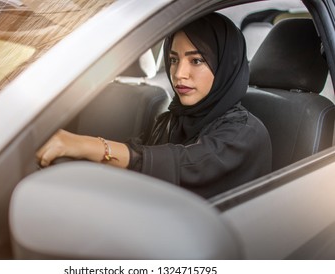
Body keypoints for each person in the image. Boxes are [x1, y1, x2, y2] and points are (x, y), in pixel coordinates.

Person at [36, 12, 272, 198]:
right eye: (173, 60)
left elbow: (183, 164)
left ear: (225, 66)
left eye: (197, 60)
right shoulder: (171, 120)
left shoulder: (246, 133)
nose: (179, 73)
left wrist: (85, 145)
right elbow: (136, 155)